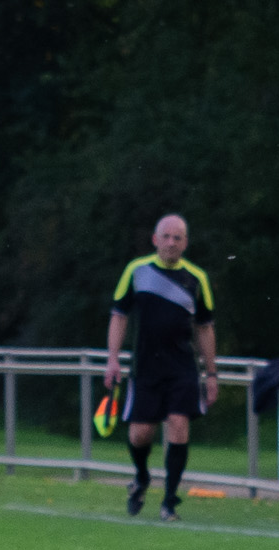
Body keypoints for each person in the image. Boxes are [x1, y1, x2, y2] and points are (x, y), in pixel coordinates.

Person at [104, 214, 219, 520]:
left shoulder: (196, 278)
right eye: (166, 237)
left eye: (177, 238)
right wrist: (112, 359)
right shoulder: (137, 270)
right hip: (146, 367)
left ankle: (169, 501)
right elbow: (119, 315)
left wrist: (211, 374)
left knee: (179, 426)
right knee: (140, 434)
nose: (171, 242)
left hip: (182, 368)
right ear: (155, 240)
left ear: (185, 243)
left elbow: (205, 327)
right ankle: (141, 477)